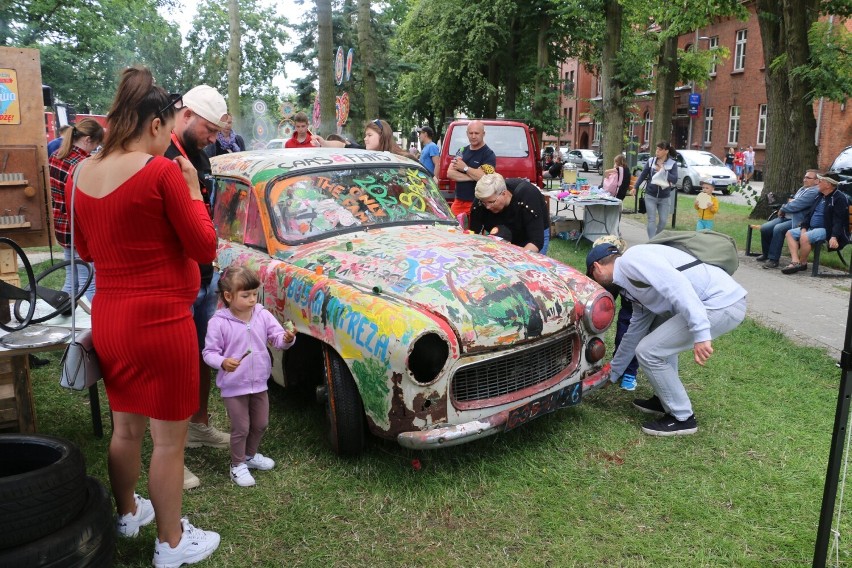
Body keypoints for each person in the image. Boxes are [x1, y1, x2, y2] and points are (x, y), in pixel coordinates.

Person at [71, 66, 220, 566]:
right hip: (161, 322)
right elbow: (204, 247)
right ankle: (171, 544)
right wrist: (196, 192)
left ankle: (129, 512)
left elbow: (87, 250)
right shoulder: (161, 172)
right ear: (157, 124)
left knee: (125, 430)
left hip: (110, 319)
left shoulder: (80, 173)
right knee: (169, 441)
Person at [585, 242, 747, 436]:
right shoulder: (630, 283)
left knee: (648, 351)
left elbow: (678, 286)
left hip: (720, 303)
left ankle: (682, 418)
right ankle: (665, 401)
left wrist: (701, 333)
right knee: (657, 340)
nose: (597, 284)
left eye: (593, 278)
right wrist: (613, 373)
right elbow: (633, 333)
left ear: (596, 267)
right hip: (714, 303)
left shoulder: (631, 261)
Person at [164, 84, 230, 490]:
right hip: (176, 280)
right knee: (177, 366)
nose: (212, 138)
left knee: (205, 356)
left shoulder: (200, 155)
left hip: (205, 274)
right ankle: (171, 448)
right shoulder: (164, 156)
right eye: (208, 128)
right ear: (186, 115)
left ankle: (199, 425)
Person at [202, 266, 295, 487]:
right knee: (241, 427)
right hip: (234, 386)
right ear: (228, 296)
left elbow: (277, 338)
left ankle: (249, 456)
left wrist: (288, 338)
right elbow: (208, 353)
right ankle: (236, 465)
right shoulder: (218, 322)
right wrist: (222, 362)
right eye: (246, 295)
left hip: (259, 383)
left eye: (255, 294)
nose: (252, 299)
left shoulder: (262, 314)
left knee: (261, 423)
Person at [48, 118, 104, 302]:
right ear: (88, 140)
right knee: (89, 282)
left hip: (61, 226)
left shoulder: (56, 155)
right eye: (96, 144)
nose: (94, 149)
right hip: (77, 228)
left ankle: (63, 312)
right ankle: (98, 324)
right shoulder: (82, 164)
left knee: (71, 281)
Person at [592, 235, 638, 391]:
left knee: (637, 341)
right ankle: (618, 368)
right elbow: (610, 295)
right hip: (627, 311)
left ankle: (630, 373)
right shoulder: (610, 277)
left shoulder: (631, 271)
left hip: (640, 311)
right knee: (622, 337)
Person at [781, 171, 849, 275]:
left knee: (805, 237)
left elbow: (839, 220)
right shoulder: (819, 195)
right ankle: (795, 261)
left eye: (821, 181)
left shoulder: (839, 198)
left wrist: (834, 236)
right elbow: (809, 214)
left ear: (828, 184)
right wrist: (803, 228)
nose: (818, 183)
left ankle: (803, 263)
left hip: (827, 230)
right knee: (789, 233)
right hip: (812, 228)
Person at [469, 173, 548, 254]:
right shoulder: (481, 201)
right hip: (502, 233)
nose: (487, 207)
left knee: (530, 264)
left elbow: (536, 241)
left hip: (531, 233)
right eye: (484, 202)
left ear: (504, 193)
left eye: (491, 202)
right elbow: (473, 235)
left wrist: (516, 260)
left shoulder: (527, 196)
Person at [757, 169, 820, 269]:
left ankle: (773, 259)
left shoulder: (814, 191)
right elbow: (792, 202)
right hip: (786, 216)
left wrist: (783, 207)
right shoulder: (803, 188)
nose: (804, 179)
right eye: (804, 177)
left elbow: (796, 205)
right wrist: (790, 204)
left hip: (798, 220)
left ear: (817, 181)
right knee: (765, 228)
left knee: (778, 229)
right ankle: (766, 253)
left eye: (808, 178)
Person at [447, 120, 497, 218]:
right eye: (471, 133)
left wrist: (465, 168)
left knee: (472, 232)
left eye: (476, 133)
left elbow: (485, 177)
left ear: (483, 134)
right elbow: (450, 173)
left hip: (477, 203)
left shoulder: (489, 154)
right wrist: (473, 176)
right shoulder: (461, 151)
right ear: (467, 134)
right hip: (458, 202)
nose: (473, 136)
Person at [634, 141, 678, 239]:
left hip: (665, 197)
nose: (657, 151)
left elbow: (674, 179)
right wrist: (635, 187)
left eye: (660, 149)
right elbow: (643, 175)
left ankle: (656, 239)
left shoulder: (672, 163)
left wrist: (663, 171)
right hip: (650, 195)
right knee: (651, 220)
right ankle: (652, 241)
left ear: (666, 151)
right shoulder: (651, 161)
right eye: (656, 149)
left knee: (663, 221)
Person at [315, 119, 413, 158]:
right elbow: (342, 145)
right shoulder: (363, 152)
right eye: (365, 135)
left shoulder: (403, 159)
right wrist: (323, 143)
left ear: (383, 135)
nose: (365, 139)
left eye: (369, 135)